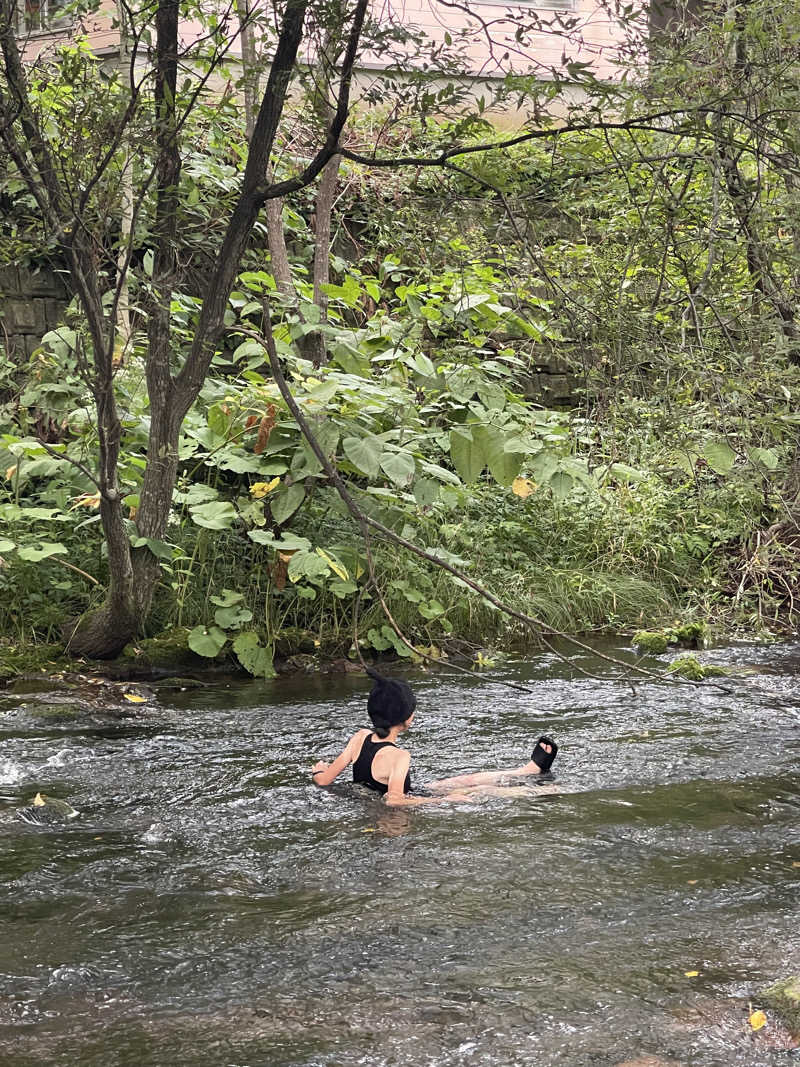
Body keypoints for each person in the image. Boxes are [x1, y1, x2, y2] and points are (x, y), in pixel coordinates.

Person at [311, 668, 559, 807]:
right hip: (396, 812)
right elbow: (395, 801)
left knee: (464, 779)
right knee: (478, 792)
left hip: (381, 798)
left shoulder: (360, 737)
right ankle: (546, 792)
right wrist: (442, 802)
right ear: (408, 718)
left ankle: (526, 771)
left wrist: (319, 770)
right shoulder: (399, 756)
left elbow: (324, 781)